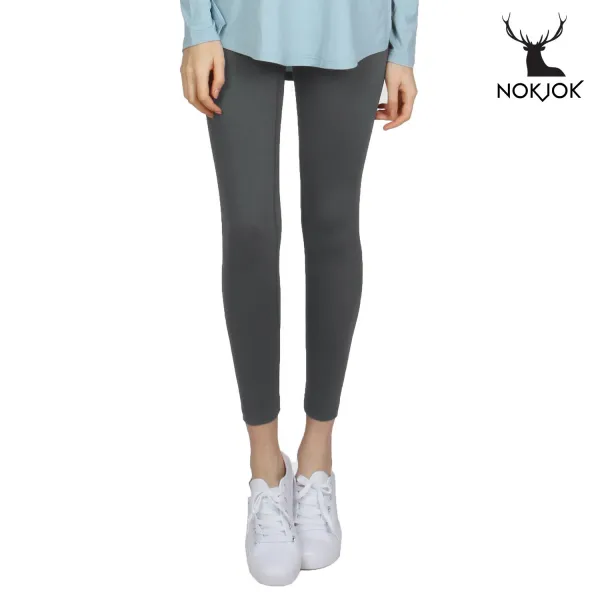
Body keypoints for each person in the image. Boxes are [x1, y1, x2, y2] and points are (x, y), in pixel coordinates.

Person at [179, 0, 419, 586]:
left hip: (353, 21)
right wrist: (197, 26)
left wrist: (404, 44)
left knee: (333, 224)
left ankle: (316, 456)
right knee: (250, 229)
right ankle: (266, 465)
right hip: (239, 21)